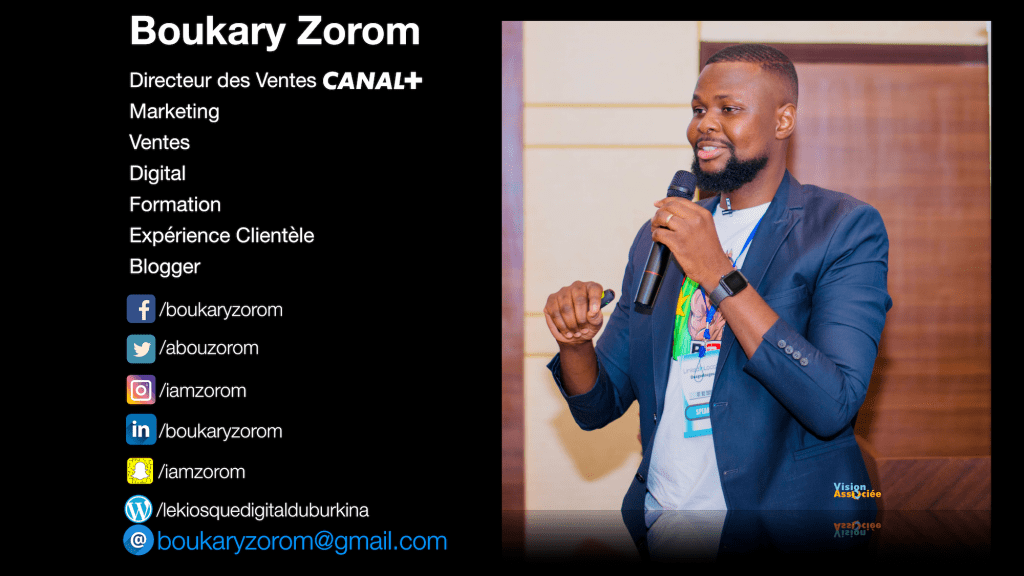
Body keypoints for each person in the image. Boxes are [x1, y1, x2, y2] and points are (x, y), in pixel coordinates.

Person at [544, 44, 892, 559]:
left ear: (783, 120)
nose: (705, 124)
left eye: (728, 109)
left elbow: (832, 404)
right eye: (698, 109)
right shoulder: (662, 236)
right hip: (669, 525)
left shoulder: (841, 229)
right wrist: (575, 344)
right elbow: (598, 406)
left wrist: (717, 273)